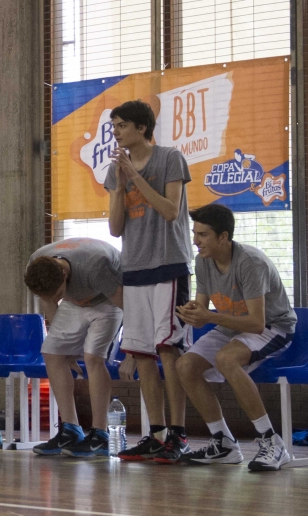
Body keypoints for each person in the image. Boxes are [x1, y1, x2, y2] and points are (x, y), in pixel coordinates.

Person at [104, 100, 193, 463]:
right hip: (135, 268)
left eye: (122, 125)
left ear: (141, 128)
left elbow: (171, 210)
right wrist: (119, 186)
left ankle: (178, 434)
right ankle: (155, 434)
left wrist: (136, 177)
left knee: (168, 349)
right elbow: (115, 228)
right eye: (113, 126)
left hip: (167, 265)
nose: (116, 132)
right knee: (141, 352)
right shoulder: (117, 170)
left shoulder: (170, 158)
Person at [175, 204, 297, 471]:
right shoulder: (203, 260)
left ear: (223, 237)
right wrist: (192, 313)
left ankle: (272, 442)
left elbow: (256, 324)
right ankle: (224, 443)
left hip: (273, 327)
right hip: (231, 325)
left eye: (203, 235)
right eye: (194, 233)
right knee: (185, 365)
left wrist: (208, 317)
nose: (196, 241)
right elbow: (202, 308)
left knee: (226, 359)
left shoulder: (250, 262)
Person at [24, 238, 123, 457]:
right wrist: (64, 348)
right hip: (75, 303)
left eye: (58, 293)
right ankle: (71, 430)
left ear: (64, 275)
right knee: (52, 351)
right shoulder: (37, 264)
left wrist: (134, 348)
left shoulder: (96, 265)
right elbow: (49, 301)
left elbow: (124, 302)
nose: (56, 297)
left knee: (93, 357)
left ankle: (101, 434)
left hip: (108, 300)